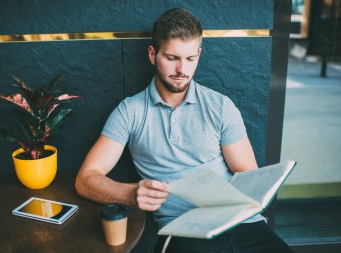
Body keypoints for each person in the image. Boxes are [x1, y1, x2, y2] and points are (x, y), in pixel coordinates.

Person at [75, 8, 293, 253]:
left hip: (244, 223)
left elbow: (248, 175)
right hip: (184, 231)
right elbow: (86, 179)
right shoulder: (130, 111)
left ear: (199, 54)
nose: (182, 70)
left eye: (190, 59)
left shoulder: (220, 106)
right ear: (152, 54)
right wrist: (132, 194)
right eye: (172, 58)